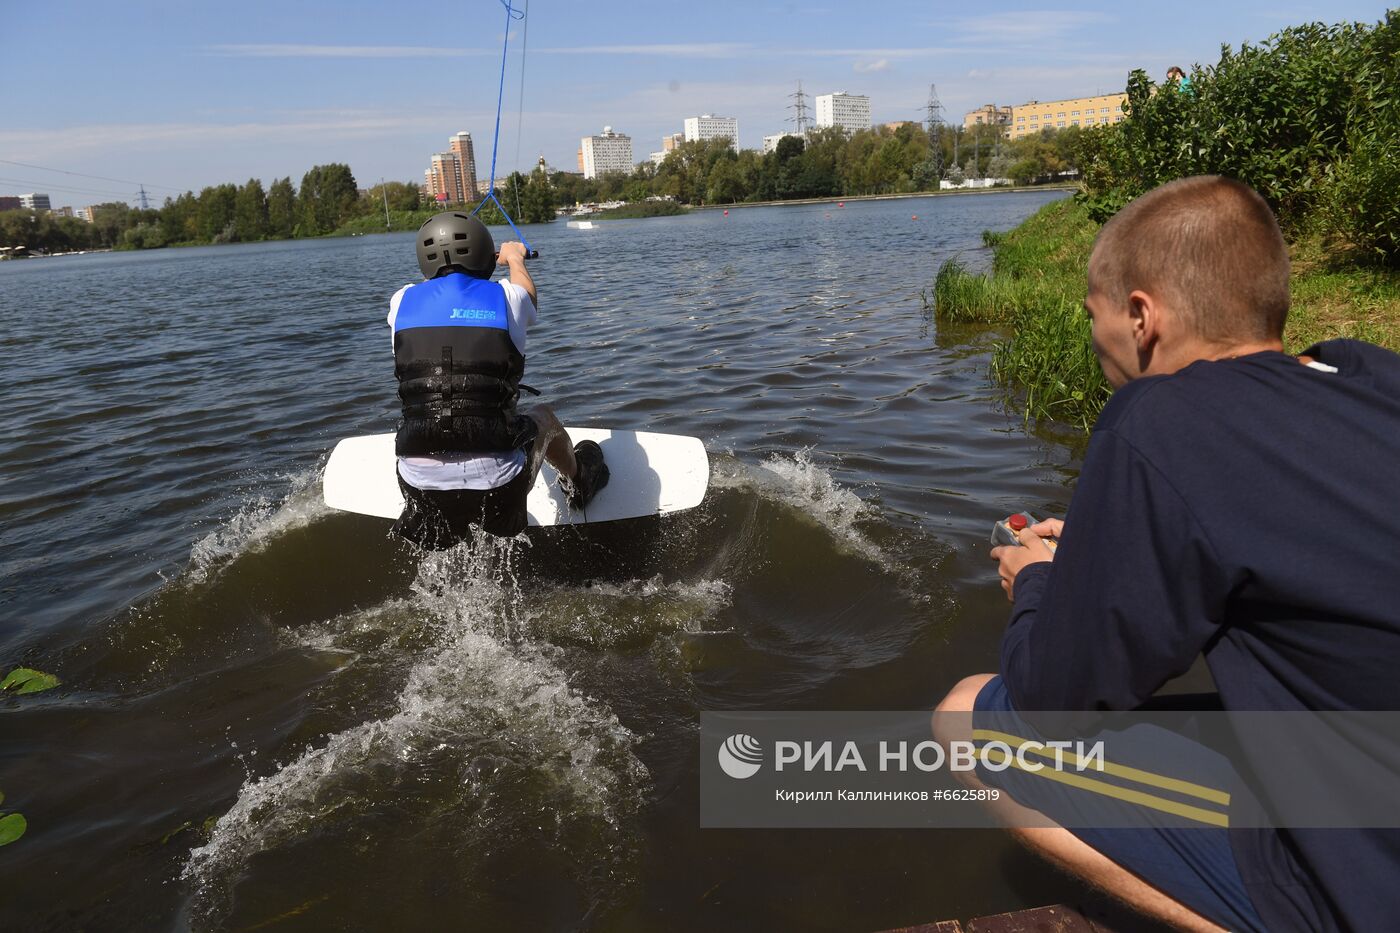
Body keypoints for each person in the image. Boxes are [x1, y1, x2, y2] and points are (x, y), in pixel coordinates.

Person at [935, 176, 1400, 932]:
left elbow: (1054, 702)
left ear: (1142, 316)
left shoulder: (1157, 418)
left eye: (1095, 317)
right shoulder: (1369, 374)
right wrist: (1101, 548)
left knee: (969, 716)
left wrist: (1037, 584)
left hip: (1377, 880)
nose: (1094, 341)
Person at [388, 211, 608, 547]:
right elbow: (527, 295)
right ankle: (581, 483)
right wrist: (515, 259)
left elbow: (438, 299)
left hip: (419, 486)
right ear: (483, 253)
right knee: (544, 417)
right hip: (498, 489)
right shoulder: (509, 297)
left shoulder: (400, 301)